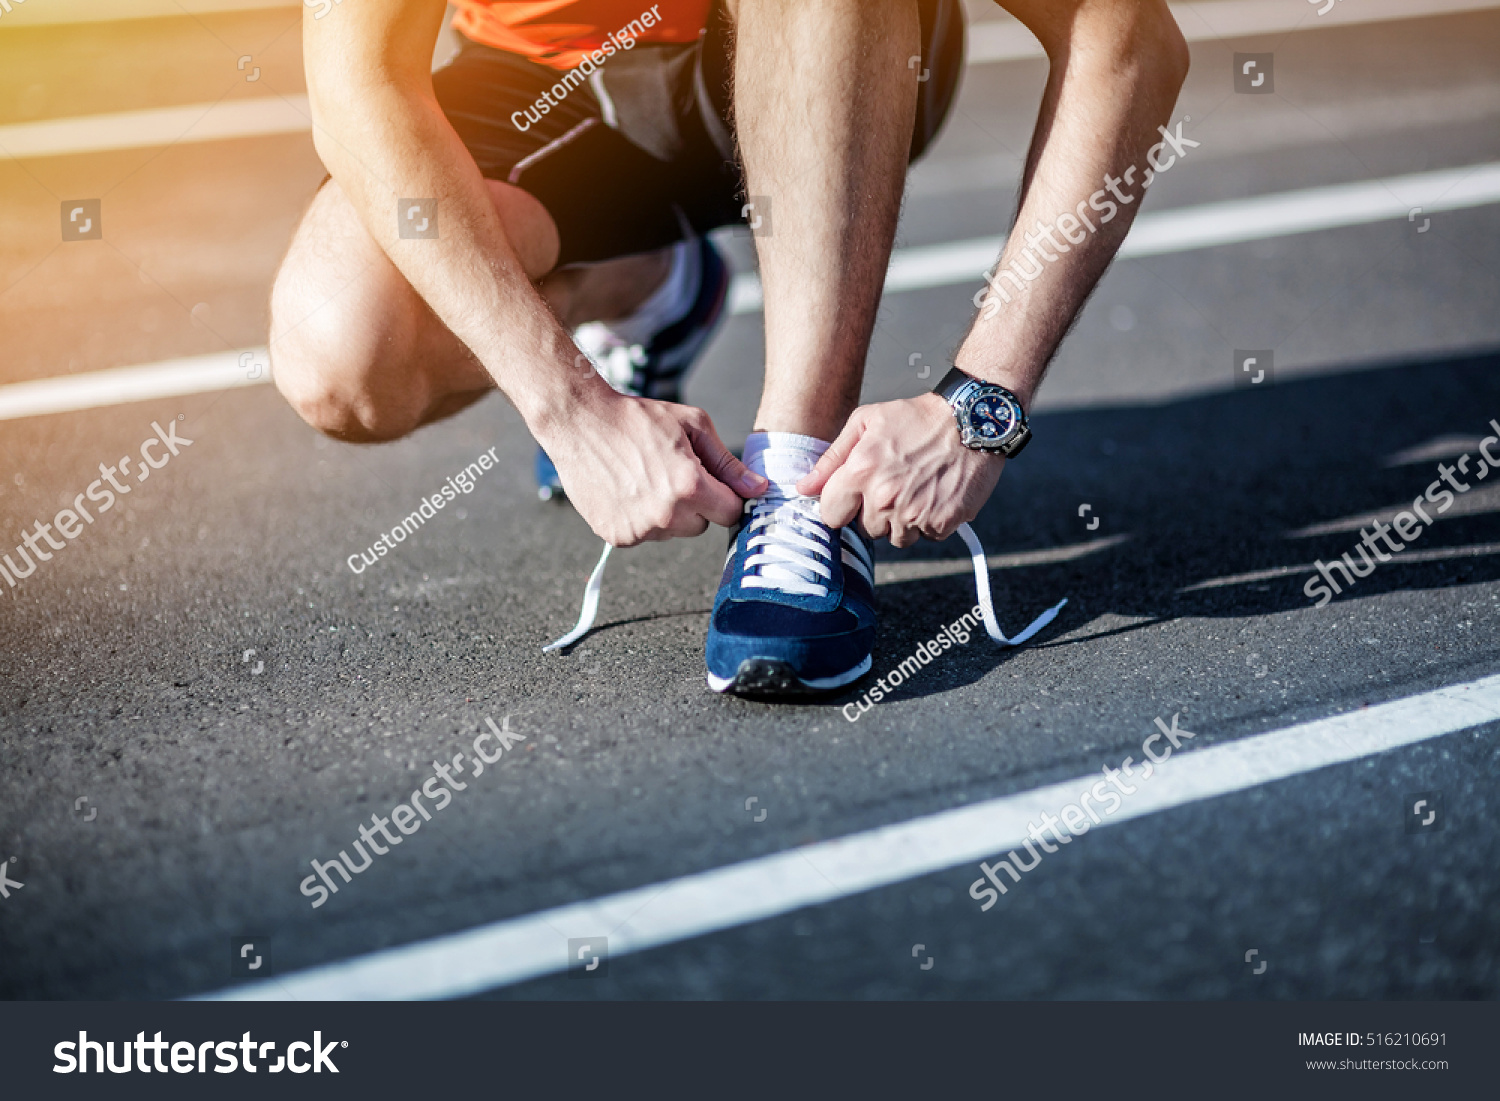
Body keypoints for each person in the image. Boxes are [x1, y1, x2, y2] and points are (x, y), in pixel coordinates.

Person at [269, 0, 1190, 696]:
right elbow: (359, 86)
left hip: (837, 52)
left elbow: (1126, 39)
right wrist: (568, 406)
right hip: (548, 84)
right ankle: (651, 282)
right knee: (344, 356)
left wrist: (982, 405)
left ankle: (798, 471)